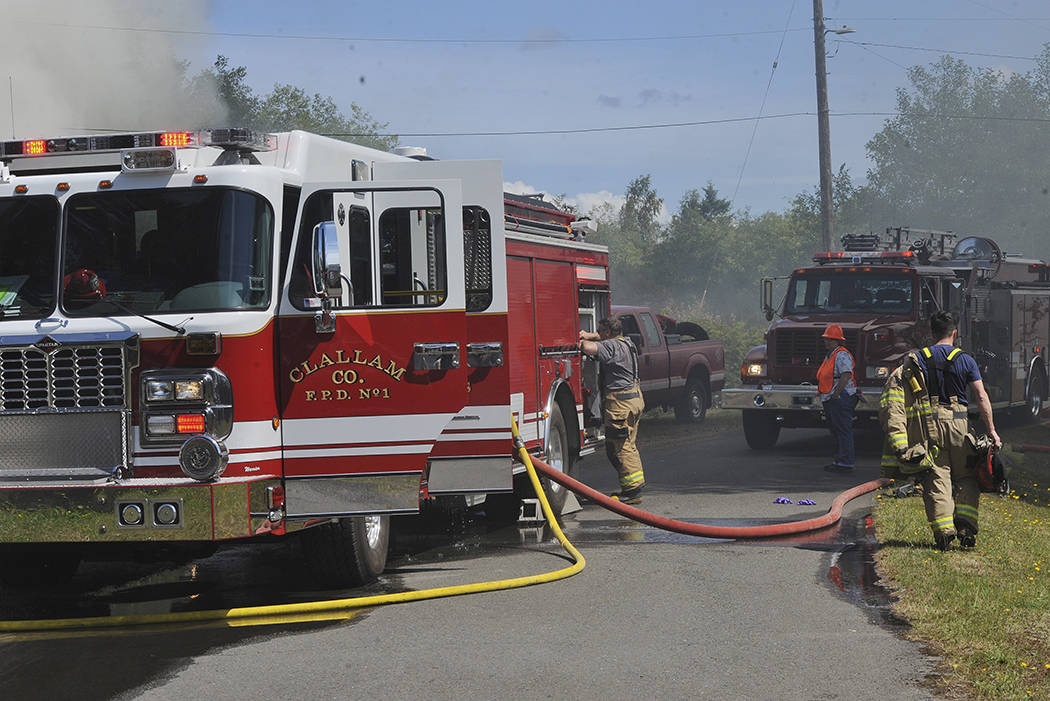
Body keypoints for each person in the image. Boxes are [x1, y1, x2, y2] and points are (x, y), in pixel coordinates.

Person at [881, 310, 1000, 550]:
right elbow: (981, 396)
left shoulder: (917, 359)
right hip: (959, 425)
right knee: (966, 476)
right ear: (954, 333)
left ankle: (944, 532)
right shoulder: (965, 359)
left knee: (937, 477)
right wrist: (992, 431)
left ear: (931, 333)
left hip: (928, 425)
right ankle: (965, 528)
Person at [578, 317, 646, 504]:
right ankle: (634, 486)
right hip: (634, 400)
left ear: (608, 333)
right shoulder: (627, 342)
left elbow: (587, 348)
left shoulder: (611, 347)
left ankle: (632, 491)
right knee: (628, 444)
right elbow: (601, 338)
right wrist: (591, 334)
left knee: (618, 447)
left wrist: (576, 338)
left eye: (600, 331)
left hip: (620, 405)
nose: (598, 335)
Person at [818, 324, 859, 472]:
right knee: (838, 429)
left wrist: (836, 395)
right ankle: (840, 460)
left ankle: (845, 462)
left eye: (831, 339)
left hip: (841, 397)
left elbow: (846, 375)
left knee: (843, 430)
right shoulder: (831, 354)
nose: (827, 342)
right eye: (826, 339)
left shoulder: (841, 355)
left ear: (838, 341)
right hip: (832, 397)